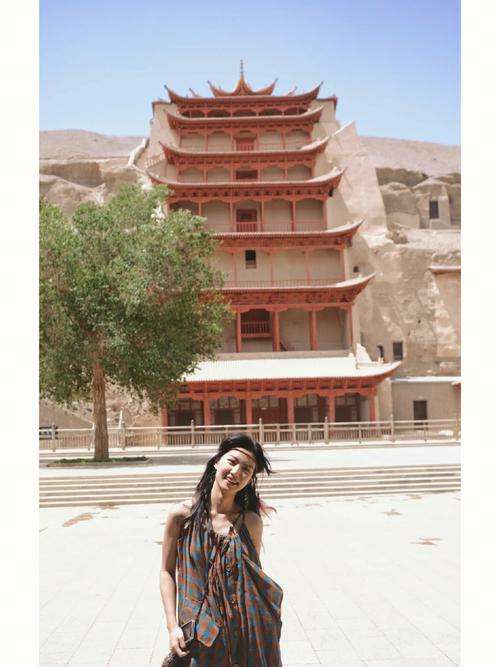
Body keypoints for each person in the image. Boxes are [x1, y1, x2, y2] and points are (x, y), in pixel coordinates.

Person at [160, 433, 283, 666]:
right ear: (217, 462)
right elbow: (166, 572)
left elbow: (251, 582)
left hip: (242, 637)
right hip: (198, 634)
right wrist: (172, 626)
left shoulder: (251, 523)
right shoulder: (182, 516)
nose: (237, 472)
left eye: (246, 469)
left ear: (250, 478)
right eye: (232, 461)